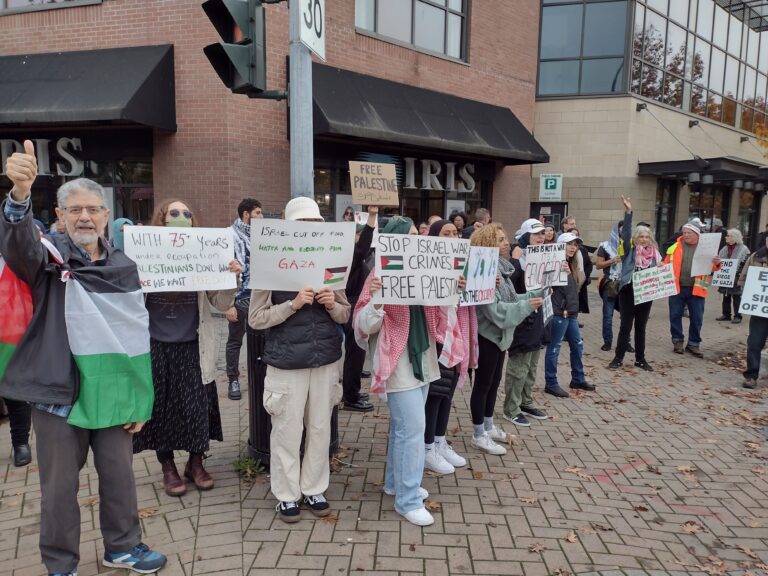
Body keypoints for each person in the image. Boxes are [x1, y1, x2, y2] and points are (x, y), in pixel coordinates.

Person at [2, 141, 166, 575]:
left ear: (106, 215)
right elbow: (19, 248)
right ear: (58, 216)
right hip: (58, 393)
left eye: (93, 209)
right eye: (74, 210)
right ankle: (60, 564)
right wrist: (19, 196)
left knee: (120, 478)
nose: (85, 217)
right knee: (58, 487)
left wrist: (139, 398)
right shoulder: (47, 262)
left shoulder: (123, 266)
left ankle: (123, 548)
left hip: (111, 392)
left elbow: (135, 335)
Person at [354, 216, 463, 526]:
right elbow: (362, 326)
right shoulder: (377, 274)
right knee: (413, 428)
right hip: (396, 358)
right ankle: (408, 498)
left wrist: (453, 287)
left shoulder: (428, 269)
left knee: (404, 428)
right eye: (412, 235)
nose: (418, 239)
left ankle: (395, 483)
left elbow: (442, 313)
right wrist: (378, 295)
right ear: (395, 241)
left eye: (420, 234)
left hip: (423, 355)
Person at [249, 196, 351, 523]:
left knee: (320, 428)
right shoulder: (269, 264)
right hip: (286, 362)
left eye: (315, 224)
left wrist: (331, 304)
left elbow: (345, 314)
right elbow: (256, 318)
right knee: (287, 432)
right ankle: (287, 495)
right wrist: (291, 305)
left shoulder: (332, 261)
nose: (310, 230)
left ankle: (314, 487)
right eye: (304, 225)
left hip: (324, 360)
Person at [133, 199, 240, 497]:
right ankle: (167, 466)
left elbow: (221, 303)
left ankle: (196, 463)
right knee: (161, 409)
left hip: (194, 345)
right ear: (162, 219)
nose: (181, 217)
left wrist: (230, 278)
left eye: (187, 214)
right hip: (155, 345)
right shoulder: (146, 255)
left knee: (197, 408)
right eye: (174, 213)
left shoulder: (203, 254)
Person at [471, 223, 542, 448]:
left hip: (500, 338)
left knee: (494, 383)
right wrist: (527, 306)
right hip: (488, 337)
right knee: (482, 386)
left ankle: (489, 425)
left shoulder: (502, 270)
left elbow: (512, 299)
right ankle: (478, 433)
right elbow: (498, 312)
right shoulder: (483, 273)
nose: (506, 243)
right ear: (488, 244)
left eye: (505, 239)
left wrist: (534, 294)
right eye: (500, 239)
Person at [423, 219, 471, 474]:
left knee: (447, 394)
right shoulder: (425, 265)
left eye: (455, 233)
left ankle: (440, 441)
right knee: (435, 395)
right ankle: (427, 446)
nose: (452, 237)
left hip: (453, 337)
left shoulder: (459, 266)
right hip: (435, 339)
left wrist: (461, 288)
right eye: (446, 233)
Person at [504, 218, 552, 421]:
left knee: (531, 365)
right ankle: (511, 408)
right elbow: (509, 290)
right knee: (519, 366)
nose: (541, 237)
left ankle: (526, 401)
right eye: (536, 234)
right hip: (521, 319)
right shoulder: (514, 259)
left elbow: (549, 288)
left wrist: (561, 273)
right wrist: (515, 260)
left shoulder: (544, 257)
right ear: (525, 237)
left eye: (542, 234)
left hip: (538, 317)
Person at [608, 196, 662, 372]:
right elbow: (625, 233)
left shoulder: (654, 253)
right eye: (641, 236)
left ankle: (640, 359)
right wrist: (629, 212)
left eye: (647, 237)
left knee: (641, 327)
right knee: (626, 326)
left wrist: (661, 269)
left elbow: (660, 272)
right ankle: (618, 358)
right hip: (629, 291)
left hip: (646, 293)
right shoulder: (629, 251)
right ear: (636, 237)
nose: (644, 239)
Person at [545, 232, 594, 397]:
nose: (573, 247)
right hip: (561, 312)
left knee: (577, 345)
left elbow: (576, 287)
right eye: (569, 244)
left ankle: (578, 378)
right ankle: (551, 383)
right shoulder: (555, 262)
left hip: (570, 312)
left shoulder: (571, 263)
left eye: (575, 244)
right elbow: (549, 286)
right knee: (554, 347)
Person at [665, 222, 722, 357]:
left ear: (697, 234)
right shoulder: (675, 246)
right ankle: (677, 341)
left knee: (697, 318)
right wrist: (662, 265)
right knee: (675, 315)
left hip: (697, 289)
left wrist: (717, 263)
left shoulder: (706, 248)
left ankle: (693, 344)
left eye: (689, 233)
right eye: (684, 232)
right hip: (677, 287)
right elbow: (667, 263)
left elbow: (714, 267)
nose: (685, 235)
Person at [342, 206, 379, 412]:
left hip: (355, 304)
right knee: (354, 355)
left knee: (356, 354)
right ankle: (350, 397)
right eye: (357, 233)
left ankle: (352, 391)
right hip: (352, 305)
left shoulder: (356, 256)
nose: (360, 237)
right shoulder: (352, 255)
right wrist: (372, 218)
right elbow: (364, 245)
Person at [225, 197, 263, 400]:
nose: (261, 216)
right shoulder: (229, 234)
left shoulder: (260, 236)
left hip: (258, 296)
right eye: (257, 213)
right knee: (235, 340)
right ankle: (233, 379)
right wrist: (227, 304)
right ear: (246, 214)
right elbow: (223, 270)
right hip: (238, 297)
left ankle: (258, 377)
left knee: (260, 340)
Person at [738, 239, 768, 388]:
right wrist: (747, 294)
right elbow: (743, 278)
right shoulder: (756, 256)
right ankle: (751, 376)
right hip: (760, 310)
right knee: (755, 343)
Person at [595, 220, 623, 351]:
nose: (623, 233)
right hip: (610, 283)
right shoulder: (605, 246)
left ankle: (625, 342)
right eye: (621, 230)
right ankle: (608, 341)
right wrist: (611, 261)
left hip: (625, 284)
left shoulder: (631, 246)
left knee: (626, 315)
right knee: (608, 314)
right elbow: (598, 264)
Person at [716, 229, 750, 324]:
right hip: (726, 276)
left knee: (736, 296)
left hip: (736, 276)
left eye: (728, 236)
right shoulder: (724, 249)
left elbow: (745, 263)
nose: (726, 237)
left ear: (735, 238)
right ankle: (726, 314)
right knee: (726, 295)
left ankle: (738, 316)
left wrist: (739, 275)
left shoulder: (744, 249)